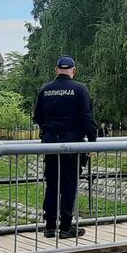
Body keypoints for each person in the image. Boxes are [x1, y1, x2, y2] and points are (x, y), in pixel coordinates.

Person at [33, 56, 97, 239]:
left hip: (50, 143)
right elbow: (87, 118)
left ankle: (50, 226)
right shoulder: (79, 89)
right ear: (73, 70)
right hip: (72, 144)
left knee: (52, 185)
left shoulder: (45, 90)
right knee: (69, 185)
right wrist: (92, 141)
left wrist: (47, 130)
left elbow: (37, 116)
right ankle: (66, 227)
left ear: (56, 70)